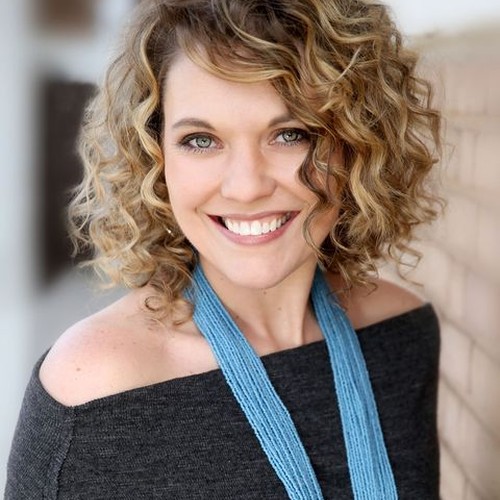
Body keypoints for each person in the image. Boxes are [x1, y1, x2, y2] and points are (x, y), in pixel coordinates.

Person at [5, 0, 442, 498]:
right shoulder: (94, 389)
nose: (246, 187)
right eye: (200, 140)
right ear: (156, 158)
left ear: (358, 143)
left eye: (290, 134)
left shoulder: (401, 333)